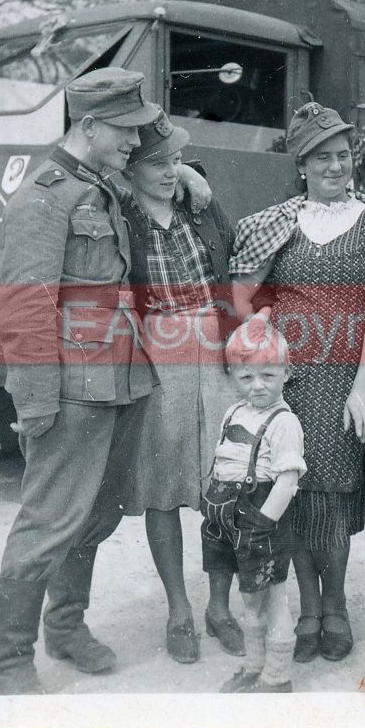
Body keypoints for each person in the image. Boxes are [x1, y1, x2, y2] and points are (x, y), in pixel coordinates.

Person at [0, 68, 205, 695]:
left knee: (96, 514)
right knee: (49, 520)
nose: (136, 142)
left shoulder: (98, 183)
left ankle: (65, 627)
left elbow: (162, 171)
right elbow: (23, 308)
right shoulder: (46, 195)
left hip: (123, 378)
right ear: (87, 125)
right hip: (72, 389)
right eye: (125, 131)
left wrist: (190, 173)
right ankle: (7, 664)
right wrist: (35, 402)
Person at [230, 102, 365, 663]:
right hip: (290, 381)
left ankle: (337, 607)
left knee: (333, 495)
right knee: (293, 490)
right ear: (301, 165)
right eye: (322, 157)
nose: (335, 166)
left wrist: (363, 387)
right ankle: (308, 610)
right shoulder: (277, 222)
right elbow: (241, 296)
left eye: (343, 155)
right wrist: (261, 327)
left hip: (344, 377)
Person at [116, 110, 244, 663]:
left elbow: (234, 253)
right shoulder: (121, 215)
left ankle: (220, 607)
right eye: (157, 163)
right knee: (161, 487)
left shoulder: (200, 207)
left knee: (226, 481)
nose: (170, 171)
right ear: (131, 169)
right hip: (158, 355)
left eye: (175, 161)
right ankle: (178, 611)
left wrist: (195, 177)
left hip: (216, 350)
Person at [203, 321, 306, 693]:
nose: (257, 385)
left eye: (268, 375)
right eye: (246, 377)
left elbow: (288, 480)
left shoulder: (285, 422)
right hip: (227, 514)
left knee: (273, 597)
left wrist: (263, 524)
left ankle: (277, 677)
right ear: (232, 374)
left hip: (262, 516)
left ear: (286, 373)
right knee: (249, 600)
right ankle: (254, 665)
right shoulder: (234, 412)